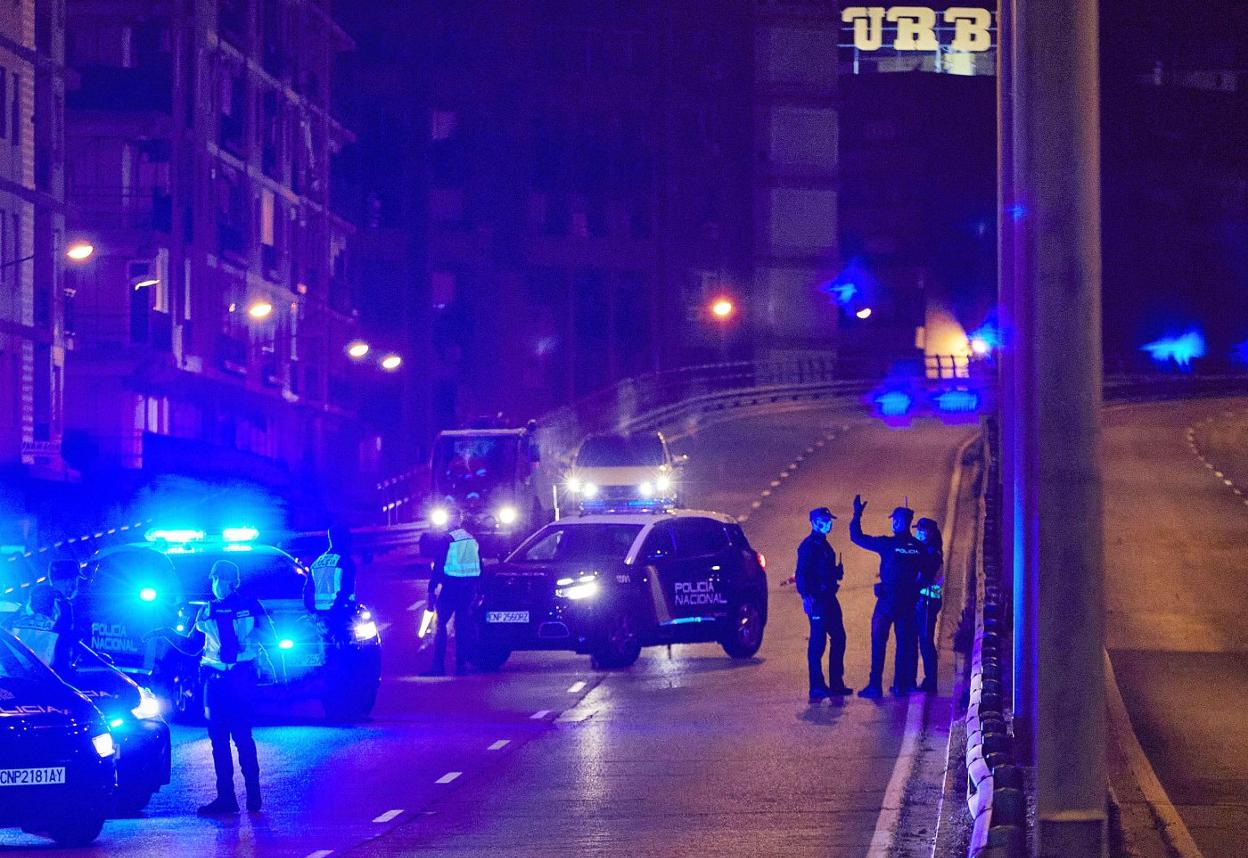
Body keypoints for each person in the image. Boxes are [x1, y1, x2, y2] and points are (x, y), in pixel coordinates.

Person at [150, 560, 276, 815]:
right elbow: (193, 646)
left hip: (235, 678)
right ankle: (229, 798)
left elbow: (269, 638)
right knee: (220, 740)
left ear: (233, 582)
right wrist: (165, 632)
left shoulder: (242, 607)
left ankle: (251, 796)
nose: (216, 585)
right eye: (214, 580)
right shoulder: (212, 610)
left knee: (239, 737)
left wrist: (243, 637)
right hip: (220, 681)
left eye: (220, 579)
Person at [849, 494, 924, 698]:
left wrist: (857, 514)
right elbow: (927, 572)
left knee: (879, 642)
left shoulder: (887, 544)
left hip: (887, 602)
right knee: (904, 644)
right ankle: (900, 685)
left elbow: (857, 537)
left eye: (894, 520)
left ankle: (875, 685)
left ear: (898, 522)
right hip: (908, 602)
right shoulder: (919, 548)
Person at [795, 507, 852, 701]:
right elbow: (801, 573)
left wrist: (836, 572)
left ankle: (836, 683)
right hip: (818, 600)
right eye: (823, 520)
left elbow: (823, 570)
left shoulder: (824, 545)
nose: (827, 523)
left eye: (829, 520)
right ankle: (816, 686)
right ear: (812, 522)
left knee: (839, 638)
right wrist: (805, 596)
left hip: (829, 598)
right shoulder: (809, 546)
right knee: (817, 643)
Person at [422, 509, 481, 676]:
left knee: (440, 625)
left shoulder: (446, 539)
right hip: (468, 588)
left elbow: (439, 566)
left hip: (451, 587)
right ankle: (461, 666)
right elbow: (479, 565)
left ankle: (438, 666)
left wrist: (432, 588)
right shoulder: (470, 539)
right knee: (462, 626)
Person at [304, 524, 358, 639]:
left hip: (321, 619)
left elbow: (307, 592)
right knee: (346, 653)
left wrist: (314, 614)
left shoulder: (317, 563)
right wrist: (334, 614)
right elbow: (346, 591)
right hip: (341, 616)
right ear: (345, 539)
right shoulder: (345, 562)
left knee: (327, 653)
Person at [914, 518, 944, 693]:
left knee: (926, 641)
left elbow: (924, 578)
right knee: (922, 640)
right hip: (924, 601)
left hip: (928, 602)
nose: (918, 533)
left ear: (931, 533)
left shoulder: (933, 553)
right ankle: (928, 679)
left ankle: (931, 681)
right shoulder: (926, 549)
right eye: (917, 530)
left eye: (922, 531)